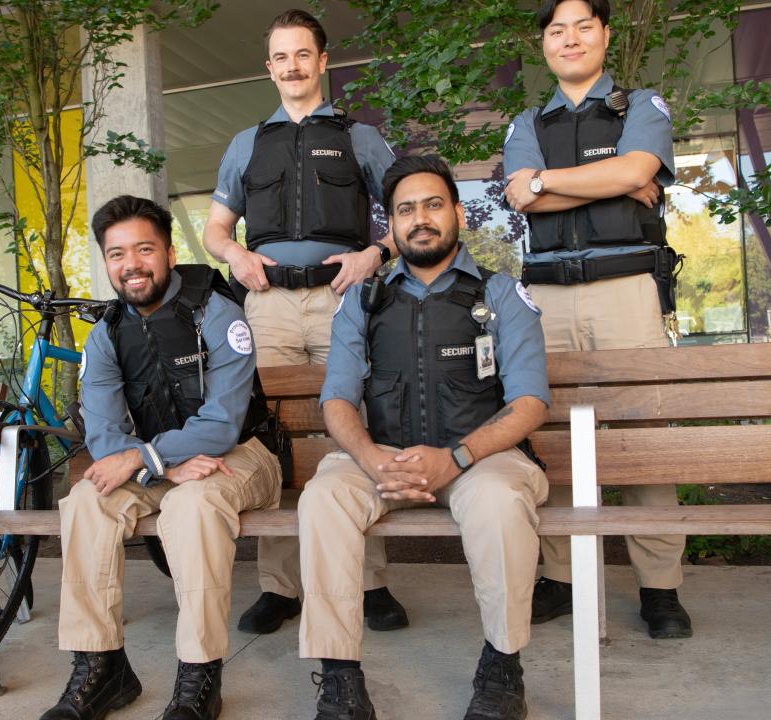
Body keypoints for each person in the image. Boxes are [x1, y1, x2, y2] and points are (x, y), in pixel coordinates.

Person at [298, 155, 550, 720]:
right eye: (405, 210)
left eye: (433, 204)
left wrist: (456, 457)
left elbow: (531, 401)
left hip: (481, 456)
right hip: (381, 455)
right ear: (390, 227)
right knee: (323, 498)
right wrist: (368, 456)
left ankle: (502, 666)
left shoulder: (502, 294)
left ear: (458, 213)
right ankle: (340, 680)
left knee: (500, 502)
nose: (421, 219)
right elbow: (336, 399)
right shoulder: (363, 300)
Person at [202, 8, 408, 637]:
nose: (292, 66)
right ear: (270, 68)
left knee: (353, 425)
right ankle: (280, 586)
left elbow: (408, 213)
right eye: (280, 57)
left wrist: (375, 253)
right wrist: (236, 254)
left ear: (323, 61)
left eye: (302, 54)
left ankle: (369, 580)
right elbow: (215, 229)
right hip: (267, 307)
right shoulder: (247, 144)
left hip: (345, 303)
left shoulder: (360, 137)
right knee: (273, 435)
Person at [39, 195, 283, 720]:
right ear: (106, 262)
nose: (131, 265)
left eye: (144, 249)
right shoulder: (105, 335)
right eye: (117, 253)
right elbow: (104, 436)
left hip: (242, 455)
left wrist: (145, 459)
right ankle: (101, 668)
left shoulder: (216, 313)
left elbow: (221, 426)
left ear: (170, 254)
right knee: (86, 499)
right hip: (160, 465)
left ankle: (199, 675)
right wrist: (159, 464)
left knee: (191, 504)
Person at [502, 0, 692, 639]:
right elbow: (515, 190)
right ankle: (560, 576)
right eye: (558, 30)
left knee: (646, 442)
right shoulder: (527, 121)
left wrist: (550, 184)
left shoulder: (641, 106)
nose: (571, 39)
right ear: (545, 46)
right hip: (548, 297)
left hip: (626, 288)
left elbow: (638, 170)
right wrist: (607, 179)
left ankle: (660, 590)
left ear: (605, 36)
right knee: (548, 440)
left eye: (584, 26)